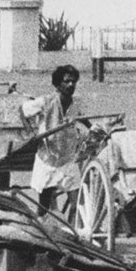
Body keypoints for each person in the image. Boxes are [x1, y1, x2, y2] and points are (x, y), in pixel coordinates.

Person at [21, 63, 92, 213]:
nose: (71, 84)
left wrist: (94, 130)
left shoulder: (76, 104)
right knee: (43, 209)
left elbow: (85, 119)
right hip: (48, 161)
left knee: (79, 205)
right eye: (66, 81)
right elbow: (23, 111)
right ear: (58, 84)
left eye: (73, 81)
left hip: (67, 160)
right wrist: (31, 133)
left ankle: (75, 232)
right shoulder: (45, 101)